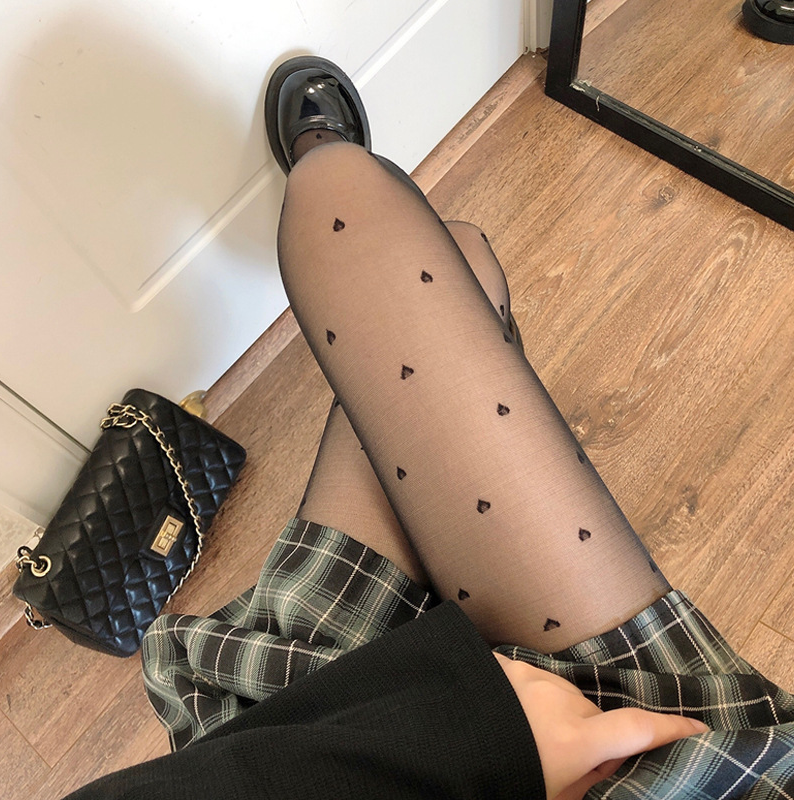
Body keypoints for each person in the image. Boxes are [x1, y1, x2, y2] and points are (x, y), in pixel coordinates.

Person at [65, 56, 794, 800]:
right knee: (423, 244)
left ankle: (325, 155)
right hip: (641, 762)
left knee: (368, 214)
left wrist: (477, 740)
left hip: (312, 741)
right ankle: (327, 153)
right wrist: (494, 750)